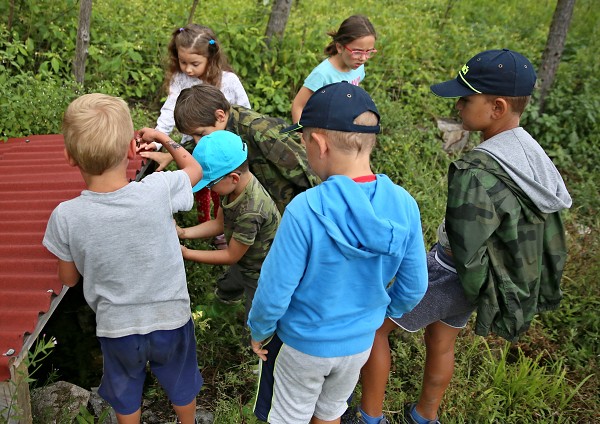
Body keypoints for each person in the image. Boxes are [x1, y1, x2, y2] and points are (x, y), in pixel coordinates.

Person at [350, 49, 572, 424]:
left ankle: (370, 417)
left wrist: (454, 281)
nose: (458, 106)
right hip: (478, 279)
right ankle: (425, 415)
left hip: (449, 271)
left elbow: (465, 245)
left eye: (466, 99)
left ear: (497, 106)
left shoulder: (476, 170)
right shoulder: (529, 151)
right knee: (441, 341)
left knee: (375, 328)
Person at [247, 82, 428, 424]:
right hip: (358, 345)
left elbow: (275, 289)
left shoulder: (306, 208)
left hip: (302, 343)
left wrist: (259, 330)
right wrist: (374, 317)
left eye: (303, 141)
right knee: (331, 412)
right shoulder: (404, 204)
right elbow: (414, 287)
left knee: (287, 416)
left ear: (318, 143)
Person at [42, 93, 204, 424]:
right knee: (181, 382)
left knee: (126, 390)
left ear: (69, 157)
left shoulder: (65, 216)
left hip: (118, 328)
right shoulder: (158, 189)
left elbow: (69, 279)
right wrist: (162, 138)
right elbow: (195, 169)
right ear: (132, 151)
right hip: (170, 318)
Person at [142, 83, 320, 214]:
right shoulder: (220, 125)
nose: (197, 142)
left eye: (200, 134)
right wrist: (170, 156)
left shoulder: (261, 132)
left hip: (288, 202)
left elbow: (304, 168)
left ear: (219, 116)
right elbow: (204, 145)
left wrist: (317, 207)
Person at [152, 24, 251, 246]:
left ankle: (222, 227)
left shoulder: (228, 81)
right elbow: (169, 110)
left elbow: (244, 110)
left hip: (223, 149)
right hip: (194, 146)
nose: (187, 69)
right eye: (182, 62)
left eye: (194, 63)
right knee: (199, 185)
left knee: (222, 187)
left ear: (211, 57)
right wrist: (159, 138)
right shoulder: (181, 80)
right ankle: (203, 226)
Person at [177, 130, 280, 320]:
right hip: (244, 258)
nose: (208, 189)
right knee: (228, 286)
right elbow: (219, 223)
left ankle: (253, 344)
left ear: (233, 177)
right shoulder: (233, 188)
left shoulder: (251, 211)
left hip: (261, 270)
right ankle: (221, 311)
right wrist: (183, 232)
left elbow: (230, 255)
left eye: (210, 184)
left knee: (256, 313)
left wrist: (187, 254)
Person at [291, 15, 377, 123]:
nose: (363, 58)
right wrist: (301, 136)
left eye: (368, 52)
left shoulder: (358, 66)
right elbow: (298, 105)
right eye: (357, 52)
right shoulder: (322, 74)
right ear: (340, 47)